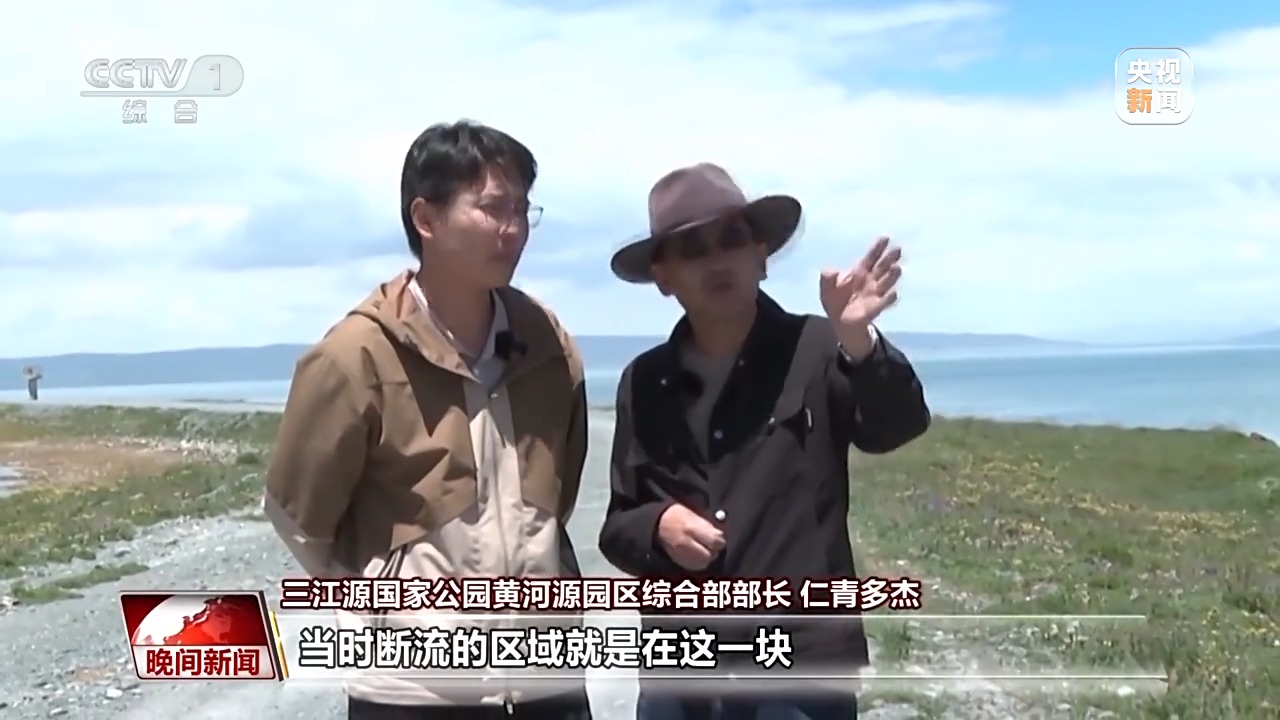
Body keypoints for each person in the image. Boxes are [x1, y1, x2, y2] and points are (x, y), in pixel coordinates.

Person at [264, 120, 593, 720]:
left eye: (523, 210)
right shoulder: (357, 355)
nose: (513, 229)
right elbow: (300, 516)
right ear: (426, 218)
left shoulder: (547, 343)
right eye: (492, 208)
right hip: (415, 692)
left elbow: (559, 493)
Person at [597, 163, 932, 720]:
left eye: (731, 238)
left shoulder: (819, 348)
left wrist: (860, 342)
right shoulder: (643, 381)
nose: (716, 259)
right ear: (664, 276)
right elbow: (618, 526)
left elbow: (896, 425)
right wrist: (658, 526)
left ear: (761, 254)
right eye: (692, 248)